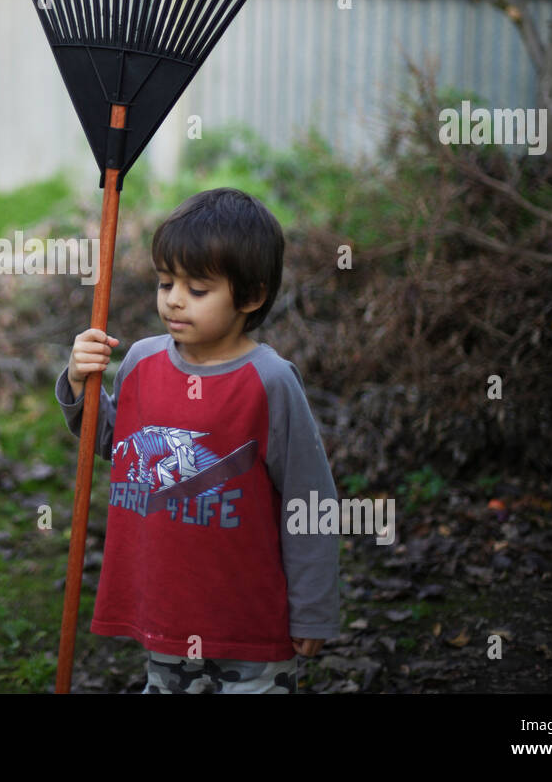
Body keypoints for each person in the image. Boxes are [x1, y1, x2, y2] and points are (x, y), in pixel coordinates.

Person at [56, 187, 340, 693]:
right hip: (166, 608)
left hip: (249, 621)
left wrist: (313, 610)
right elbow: (112, 446)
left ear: (251, 296)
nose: (174, 299)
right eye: (166, 283)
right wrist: (79, 382)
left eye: (198, 289)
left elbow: (310, 498)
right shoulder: (142, 362)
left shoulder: (269, 381)